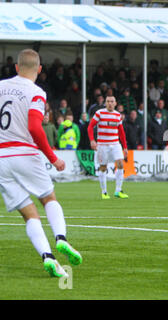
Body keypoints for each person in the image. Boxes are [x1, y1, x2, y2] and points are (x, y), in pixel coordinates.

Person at [0, 49, 82, 278]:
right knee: (48, 198)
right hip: (25, 153)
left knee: (29, 214)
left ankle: (48, 257)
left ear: (16, 67)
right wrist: (52, 157)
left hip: (2, 159)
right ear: (39, 69)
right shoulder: (36, 91)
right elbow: (35, 127)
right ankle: (61, 239)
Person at [87, 95, 129, 199]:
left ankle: (118, 190)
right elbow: (90, 127)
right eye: (108, 101)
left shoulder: (118, 115)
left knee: (120, 164)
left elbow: (121, 132)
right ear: (105, 103)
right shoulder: (100, 113)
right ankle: (104, 192)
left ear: (115, 103)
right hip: (102, 145)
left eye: (112, 101)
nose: (110, 103)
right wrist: (92, 140)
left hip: (115, 144)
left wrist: (125, 147)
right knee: (103, 167)